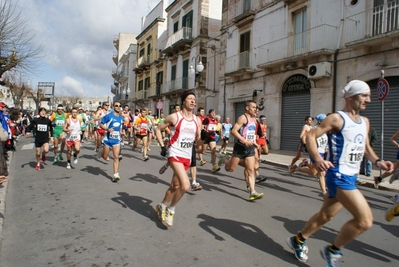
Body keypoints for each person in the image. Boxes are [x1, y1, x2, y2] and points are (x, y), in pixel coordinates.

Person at [286, 80, 394, 266]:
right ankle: (332, 250)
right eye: (364, 95)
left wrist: (378, 161)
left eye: (369, 95)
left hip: (351, 176)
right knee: (365, 221)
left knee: (326, 216)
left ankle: (298, 240)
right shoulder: (337, 119)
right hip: (338, 175)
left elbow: (366, 146)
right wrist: (318, 160)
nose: (369, 99)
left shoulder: (364, 122)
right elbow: (311, 136)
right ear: (351, 97)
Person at [154, 90, 201, 227]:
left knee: (175, 186)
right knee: (185, 186)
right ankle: (171, 209)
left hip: (187, 156)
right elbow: (158, 129)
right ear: (183, 101)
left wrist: (201, 140)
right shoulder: (174, 117)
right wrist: (163, 147)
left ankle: (162, 206)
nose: (193, 101)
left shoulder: (197, 120)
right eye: (190, 99)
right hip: (175, 154)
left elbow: (197, 140)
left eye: (194, 99)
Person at [219, 100, 264, 201]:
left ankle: (252, 192)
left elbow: (250, 133)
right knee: (231, 169)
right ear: (247, 108)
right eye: (253, 107)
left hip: (250, 148)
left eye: (255, 107)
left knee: (251, 170)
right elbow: (233, 131)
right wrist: (244, 140)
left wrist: (254, 142)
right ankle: (224, 159)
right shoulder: (243, 118)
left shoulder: (255, 120)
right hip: (240, 147)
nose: (255, 109)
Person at [292, 114, 328, 194]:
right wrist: (306, 145)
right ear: (320, 121)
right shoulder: (314, 129)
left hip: (321, 153)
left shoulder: (325, 129)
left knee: (316, 173)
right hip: (315, 153)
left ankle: (298, 168)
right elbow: (305, 137)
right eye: (325, 120)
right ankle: (324, 193)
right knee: (318, 173)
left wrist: (326, 147)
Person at [99, 101, 125, 182]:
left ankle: (115, 174)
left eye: (119, 106)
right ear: (113, 107)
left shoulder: (121, 117)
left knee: (116, 157)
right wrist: (107, 129)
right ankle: (101, 153)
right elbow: (101, 124)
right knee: (105, 157)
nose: (118, 107)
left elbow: (121, 126)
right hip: (107, 139)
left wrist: (121, 131)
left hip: (116, 139)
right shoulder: (108, 116)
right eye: (116, 106)